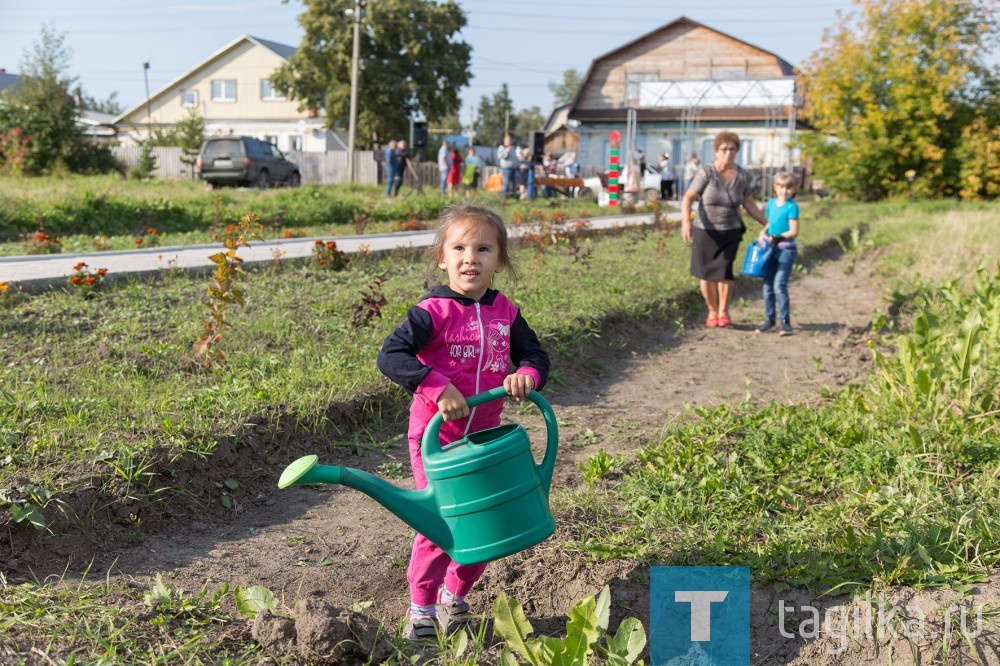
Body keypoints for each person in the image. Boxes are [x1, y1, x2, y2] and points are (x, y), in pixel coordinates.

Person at [377, 203, 550, 641]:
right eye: (459, 248)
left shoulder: (506, 312)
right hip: (436, 440)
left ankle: (456, 598)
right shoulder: (432, 311)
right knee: (441, 524)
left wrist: (525, 376)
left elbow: (535, 356)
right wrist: (436, 386)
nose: (470, 257)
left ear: (500, 261)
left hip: (486, 440)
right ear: (442, 258)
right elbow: (391, 356)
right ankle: (420, 608)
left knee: (484, 524)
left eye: (483, 248)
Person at [680, 131, 768, 328]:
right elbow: (688, 197)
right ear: (716, 150)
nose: (728, 153)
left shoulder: (742, 175)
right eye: (724, 149)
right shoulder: (706, 173)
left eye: (732, 149)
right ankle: (712, 310)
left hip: (731, 230)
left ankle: (724, 311)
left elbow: (748, 202)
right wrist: (686, 222)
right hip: (706, 231)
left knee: (725, 272)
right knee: (705, 274)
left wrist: (766, 223)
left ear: (737, 151)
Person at [757, 172, 800, 336]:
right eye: (781, 187)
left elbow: (794, 231)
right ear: (775, 188)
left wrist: (779, 237)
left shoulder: (792, 206)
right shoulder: (771, 204)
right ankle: (769, 320)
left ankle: (785, 322)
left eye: (788, 188)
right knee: (767, 286)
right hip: (770, 249)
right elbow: (769, 224)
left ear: (794, 189)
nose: (784, 191)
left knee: (779, 286)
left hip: (786, 249)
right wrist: (763, 233)